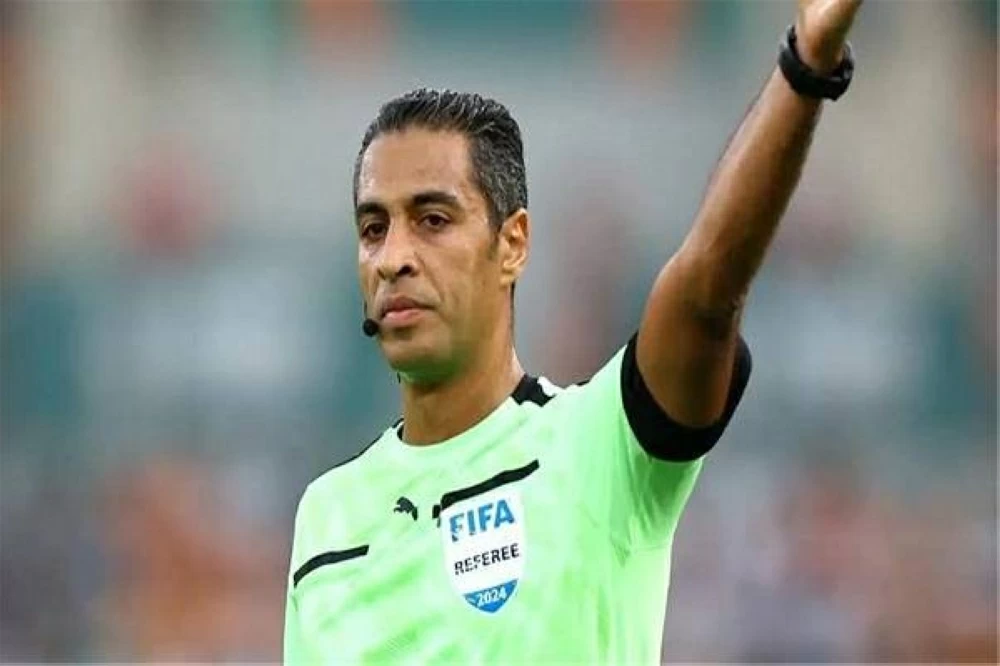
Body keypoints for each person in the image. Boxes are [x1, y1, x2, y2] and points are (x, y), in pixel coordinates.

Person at [284, 0, 864, 662]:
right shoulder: (325, 516)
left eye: (433, 220)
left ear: (512, 244)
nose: (394, 257)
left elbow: (707, 289)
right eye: (373, 228)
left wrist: (804, 67)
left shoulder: (597, 447)